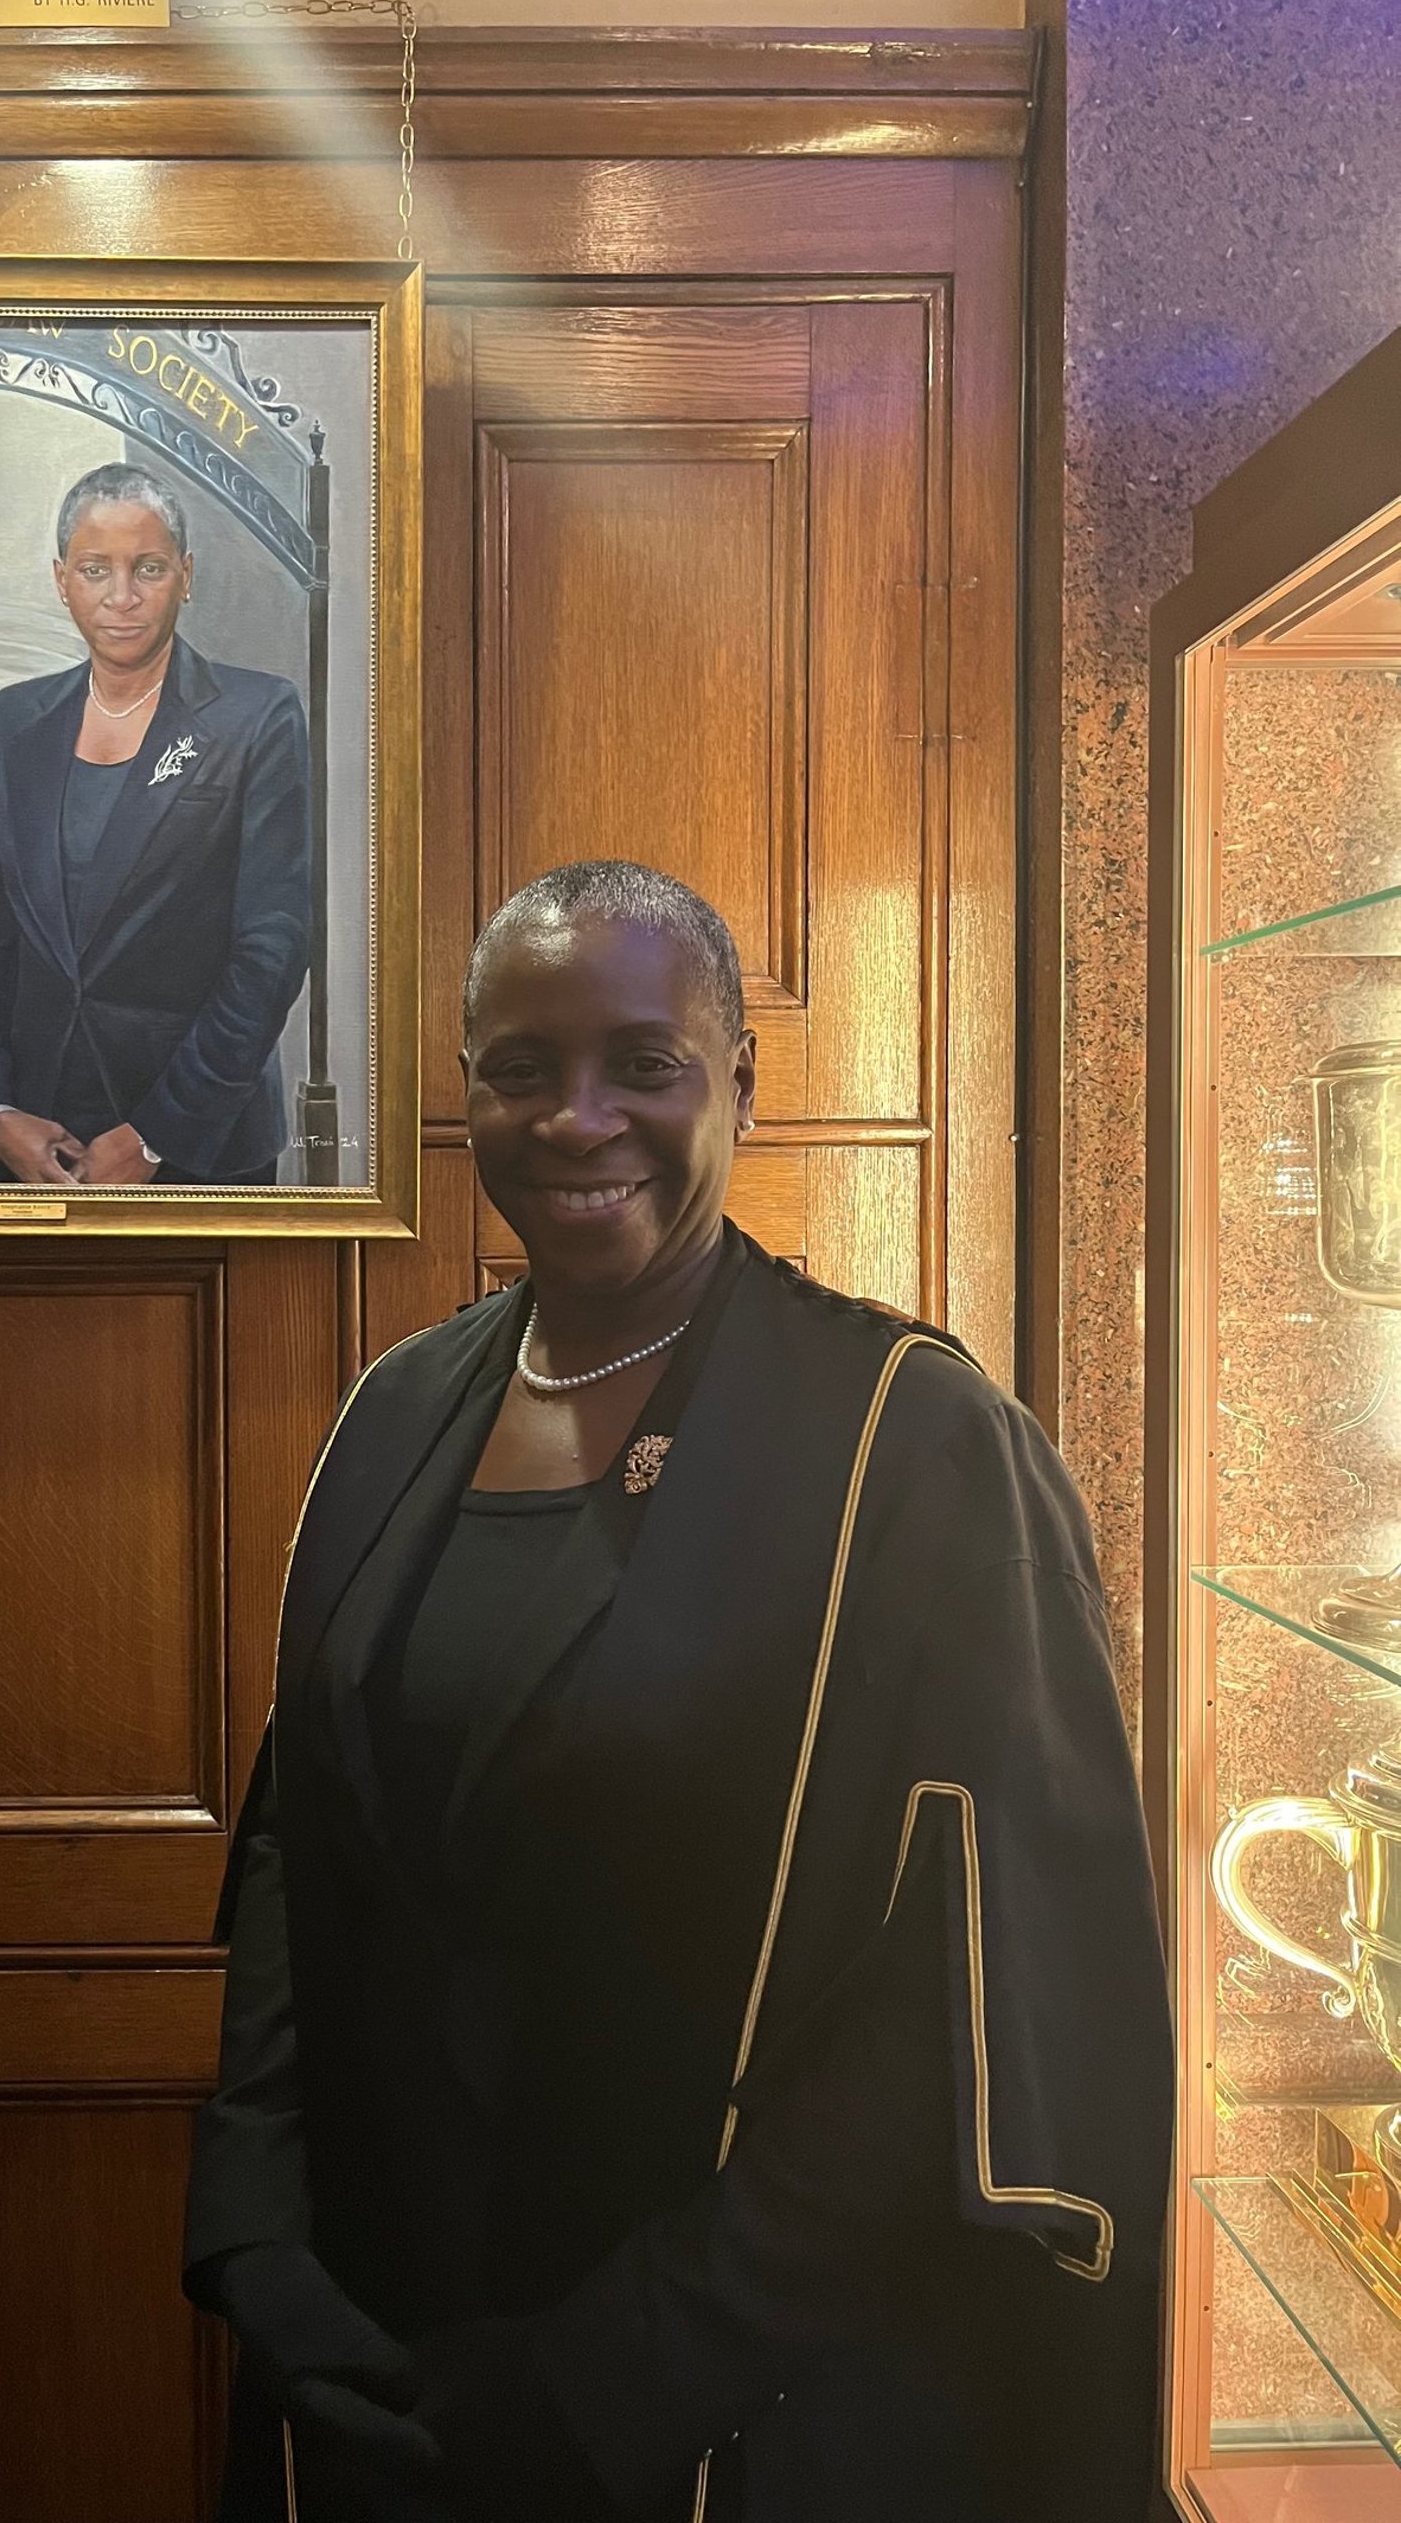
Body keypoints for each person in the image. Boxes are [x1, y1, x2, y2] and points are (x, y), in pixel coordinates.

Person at [182, 861, 1172, 2523]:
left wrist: (621, 2369)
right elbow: (310, 1831)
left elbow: (969, 2004)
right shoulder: (398, 1412)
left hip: (725, 2416)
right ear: (469, 1089)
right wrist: (254, 2230)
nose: (577, 1119)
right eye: (520, 1065)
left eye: (642, 1064)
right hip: (375, 2363)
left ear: (738, 1084)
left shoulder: (910, 1447)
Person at [0, 462, 312, 1187]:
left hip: (191, 1141)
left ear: (185, 574)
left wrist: (156, 1135)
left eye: (147, 568)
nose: (121, 597)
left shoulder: (257, 716)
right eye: (93, 569)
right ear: (60, 580)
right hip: (24, 1140)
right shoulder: (17, 720)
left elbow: (272, 950)